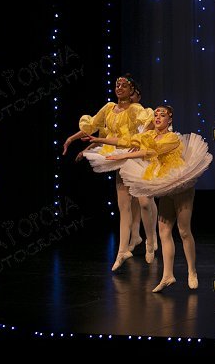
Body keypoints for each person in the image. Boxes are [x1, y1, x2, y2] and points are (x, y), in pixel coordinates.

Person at [87, 105, 212, 293]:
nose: (158, 117)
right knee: (164, 231)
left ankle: (192, 271)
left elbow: (151, 152)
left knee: (184, 231)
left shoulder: (172, 138)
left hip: (180, 182)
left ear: (170, 119)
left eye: (163, 115)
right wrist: (99, 139)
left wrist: (124, 156)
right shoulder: (149, 135)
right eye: (156, 114)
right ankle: (168, 275)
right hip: (164, 182)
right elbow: (125, 141)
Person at [63, 74, 157, 271]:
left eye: (124, 86)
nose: (119, 88)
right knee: (124, 206)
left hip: (134, 154)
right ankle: (122, 251)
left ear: (132, 91)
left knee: (144, 202)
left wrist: (141, 138)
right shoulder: (108, 108)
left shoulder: (135, 109)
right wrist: (71, 139)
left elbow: (149, 122)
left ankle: (150, 240)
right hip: (116, 154)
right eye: (117, 85)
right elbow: (92, 126)